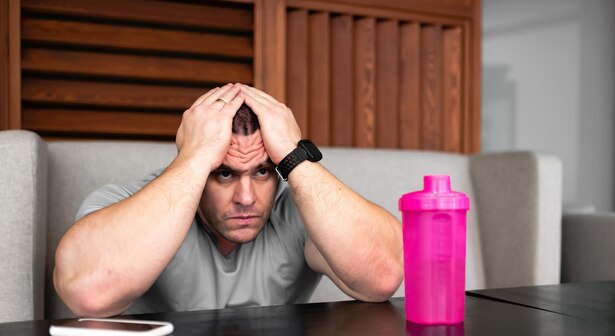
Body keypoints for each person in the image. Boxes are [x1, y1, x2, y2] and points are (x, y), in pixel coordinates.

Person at [53, 83, 403, 317]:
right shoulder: (122, 201)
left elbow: (384, 276)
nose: (247, 198)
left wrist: (293, 157)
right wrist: (194, 158)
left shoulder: (297, 211)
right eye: (224, 174)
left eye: (263, 172)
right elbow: (88, 293)